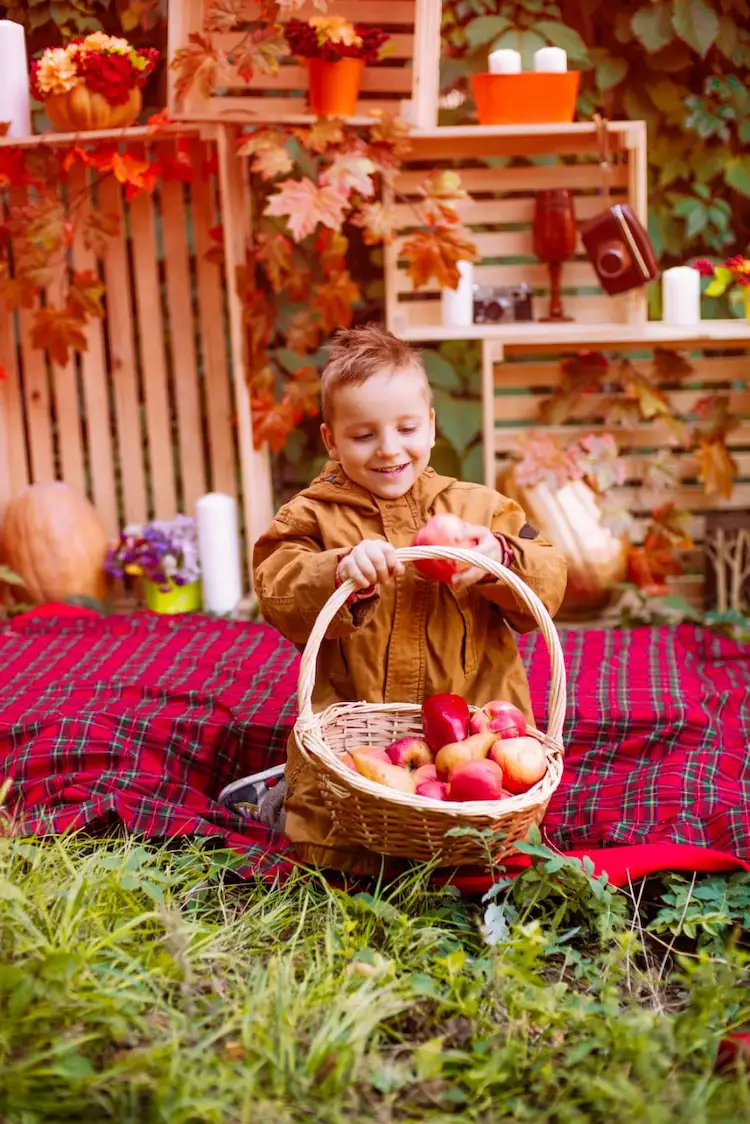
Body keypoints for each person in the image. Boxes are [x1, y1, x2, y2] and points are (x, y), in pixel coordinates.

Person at [250, 324, 568, 872]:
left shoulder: (480, 510)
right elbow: (278, 588)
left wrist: (497, 556)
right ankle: (279, 797)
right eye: (364, 435)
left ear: (432, 427)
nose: (390, 449)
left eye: (406, 428)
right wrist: (338, 570)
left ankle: (472, 844)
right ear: (331, 440)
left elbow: (549, 580)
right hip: (359, 738)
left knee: (484, 836)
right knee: (339, 839)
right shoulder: (310, 516)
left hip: (474, 731)